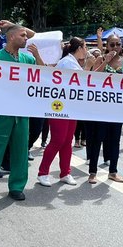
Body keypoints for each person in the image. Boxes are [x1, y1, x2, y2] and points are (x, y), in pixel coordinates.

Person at [0, 24, 44, 202]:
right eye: (22, 35)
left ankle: (17, 186)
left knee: (20, 151)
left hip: (21, 113)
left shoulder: (27, 59)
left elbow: (43, 77)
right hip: (0, 113)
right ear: (11, 37)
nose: (26, 38)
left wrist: (37, 55)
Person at [37, 37, 85, 187]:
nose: (87, 51)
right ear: (79, 49)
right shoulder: (67, 62)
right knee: (58, 140)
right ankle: (43, 173)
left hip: (71, 107)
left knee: (67, 141)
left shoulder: (72, 62)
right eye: (85, 47)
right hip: (59, 106)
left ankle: (65, 172)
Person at [84, 33, 123, 185]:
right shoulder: (101, 59)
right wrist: (104, 62)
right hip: (100, 109)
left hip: (118, 109)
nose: (115, 47)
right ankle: (92, 172)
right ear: (107, 46)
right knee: (97, 140)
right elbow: (92, 78)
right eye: (112, 44)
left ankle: (113, 171)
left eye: (118, 44)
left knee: (115, 141)